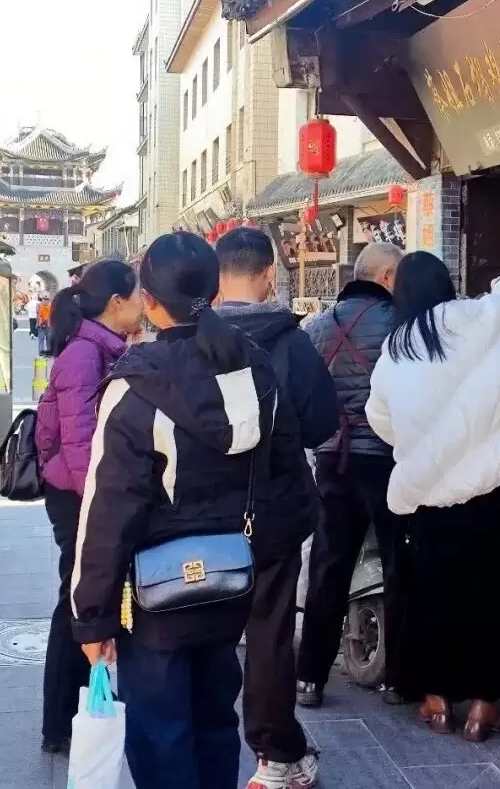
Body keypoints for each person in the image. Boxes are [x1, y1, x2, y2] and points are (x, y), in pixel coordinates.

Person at [70, 232, 312, 788]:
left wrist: (92, 615)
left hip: (157, 594)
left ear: (149, 301)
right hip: (232, 581)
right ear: (214, 289)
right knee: (214, 720)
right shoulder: (254, 369)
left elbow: (108, 511)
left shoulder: (137, 384)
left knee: (161, 734)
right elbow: (288, 477)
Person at [364, 252, 500, 742]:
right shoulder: (487, 317)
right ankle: (484, 705)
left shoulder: (398, 348)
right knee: (490, 592)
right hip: (493, 488)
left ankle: (438, 701)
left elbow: (380, 417)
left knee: (433, 592)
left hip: (431, 493)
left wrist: (424, 446)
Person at [213, 226, 340, 789]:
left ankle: (203, 739)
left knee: (204, 626)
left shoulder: (191, 339)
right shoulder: (292, 342)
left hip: (202, 516)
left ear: (218, 277)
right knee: (268, 631)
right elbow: (321, 423)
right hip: (273, 513)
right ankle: (274, 755)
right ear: (269, 274)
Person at [33, 260, 144, 753]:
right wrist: (99, 511)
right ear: (116, 303)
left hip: (87, 490)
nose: (144, 304)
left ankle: (78, 708)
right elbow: (80, 446)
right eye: (137, 296)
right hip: (78, 493)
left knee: (84, 600)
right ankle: (60, 723)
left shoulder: (105, 347)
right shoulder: (84, 354)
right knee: (75, 602)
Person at [296, 241, 404, 708]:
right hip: (387, 460)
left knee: (328, 567)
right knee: (400, 567)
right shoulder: (401, 324)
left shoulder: (317, 326)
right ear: (386, 278)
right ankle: (398, 679)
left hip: (333, 461)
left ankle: (310, 678)